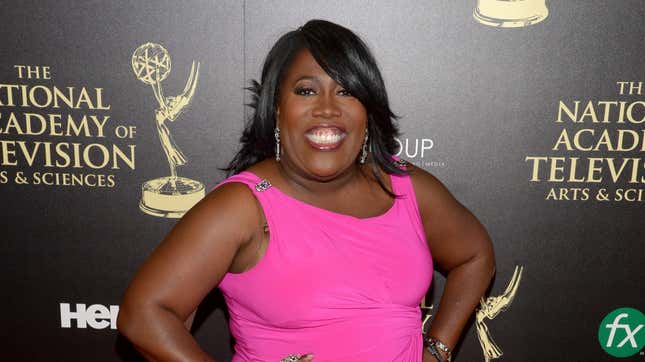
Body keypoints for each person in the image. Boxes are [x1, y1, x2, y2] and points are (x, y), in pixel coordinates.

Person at [117, 19, 495, 362]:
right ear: (277, 109)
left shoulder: (406, 189)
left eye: (346, 91)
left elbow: (475, 255)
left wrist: (439, 348)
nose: (327, 109)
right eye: (306, 91)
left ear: (368, 110)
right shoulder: (244, 206)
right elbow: (145, 315)